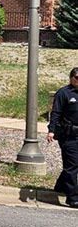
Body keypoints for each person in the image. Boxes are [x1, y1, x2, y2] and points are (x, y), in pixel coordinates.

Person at [47, 67, 78, 208]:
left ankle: (59, 186)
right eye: (77, 78)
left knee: (72, 165)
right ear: (71, 78)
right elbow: (56, 113)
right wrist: (51, 130)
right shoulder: (64, 93)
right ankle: (72, 199)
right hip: (68, 136)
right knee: (71, 166)